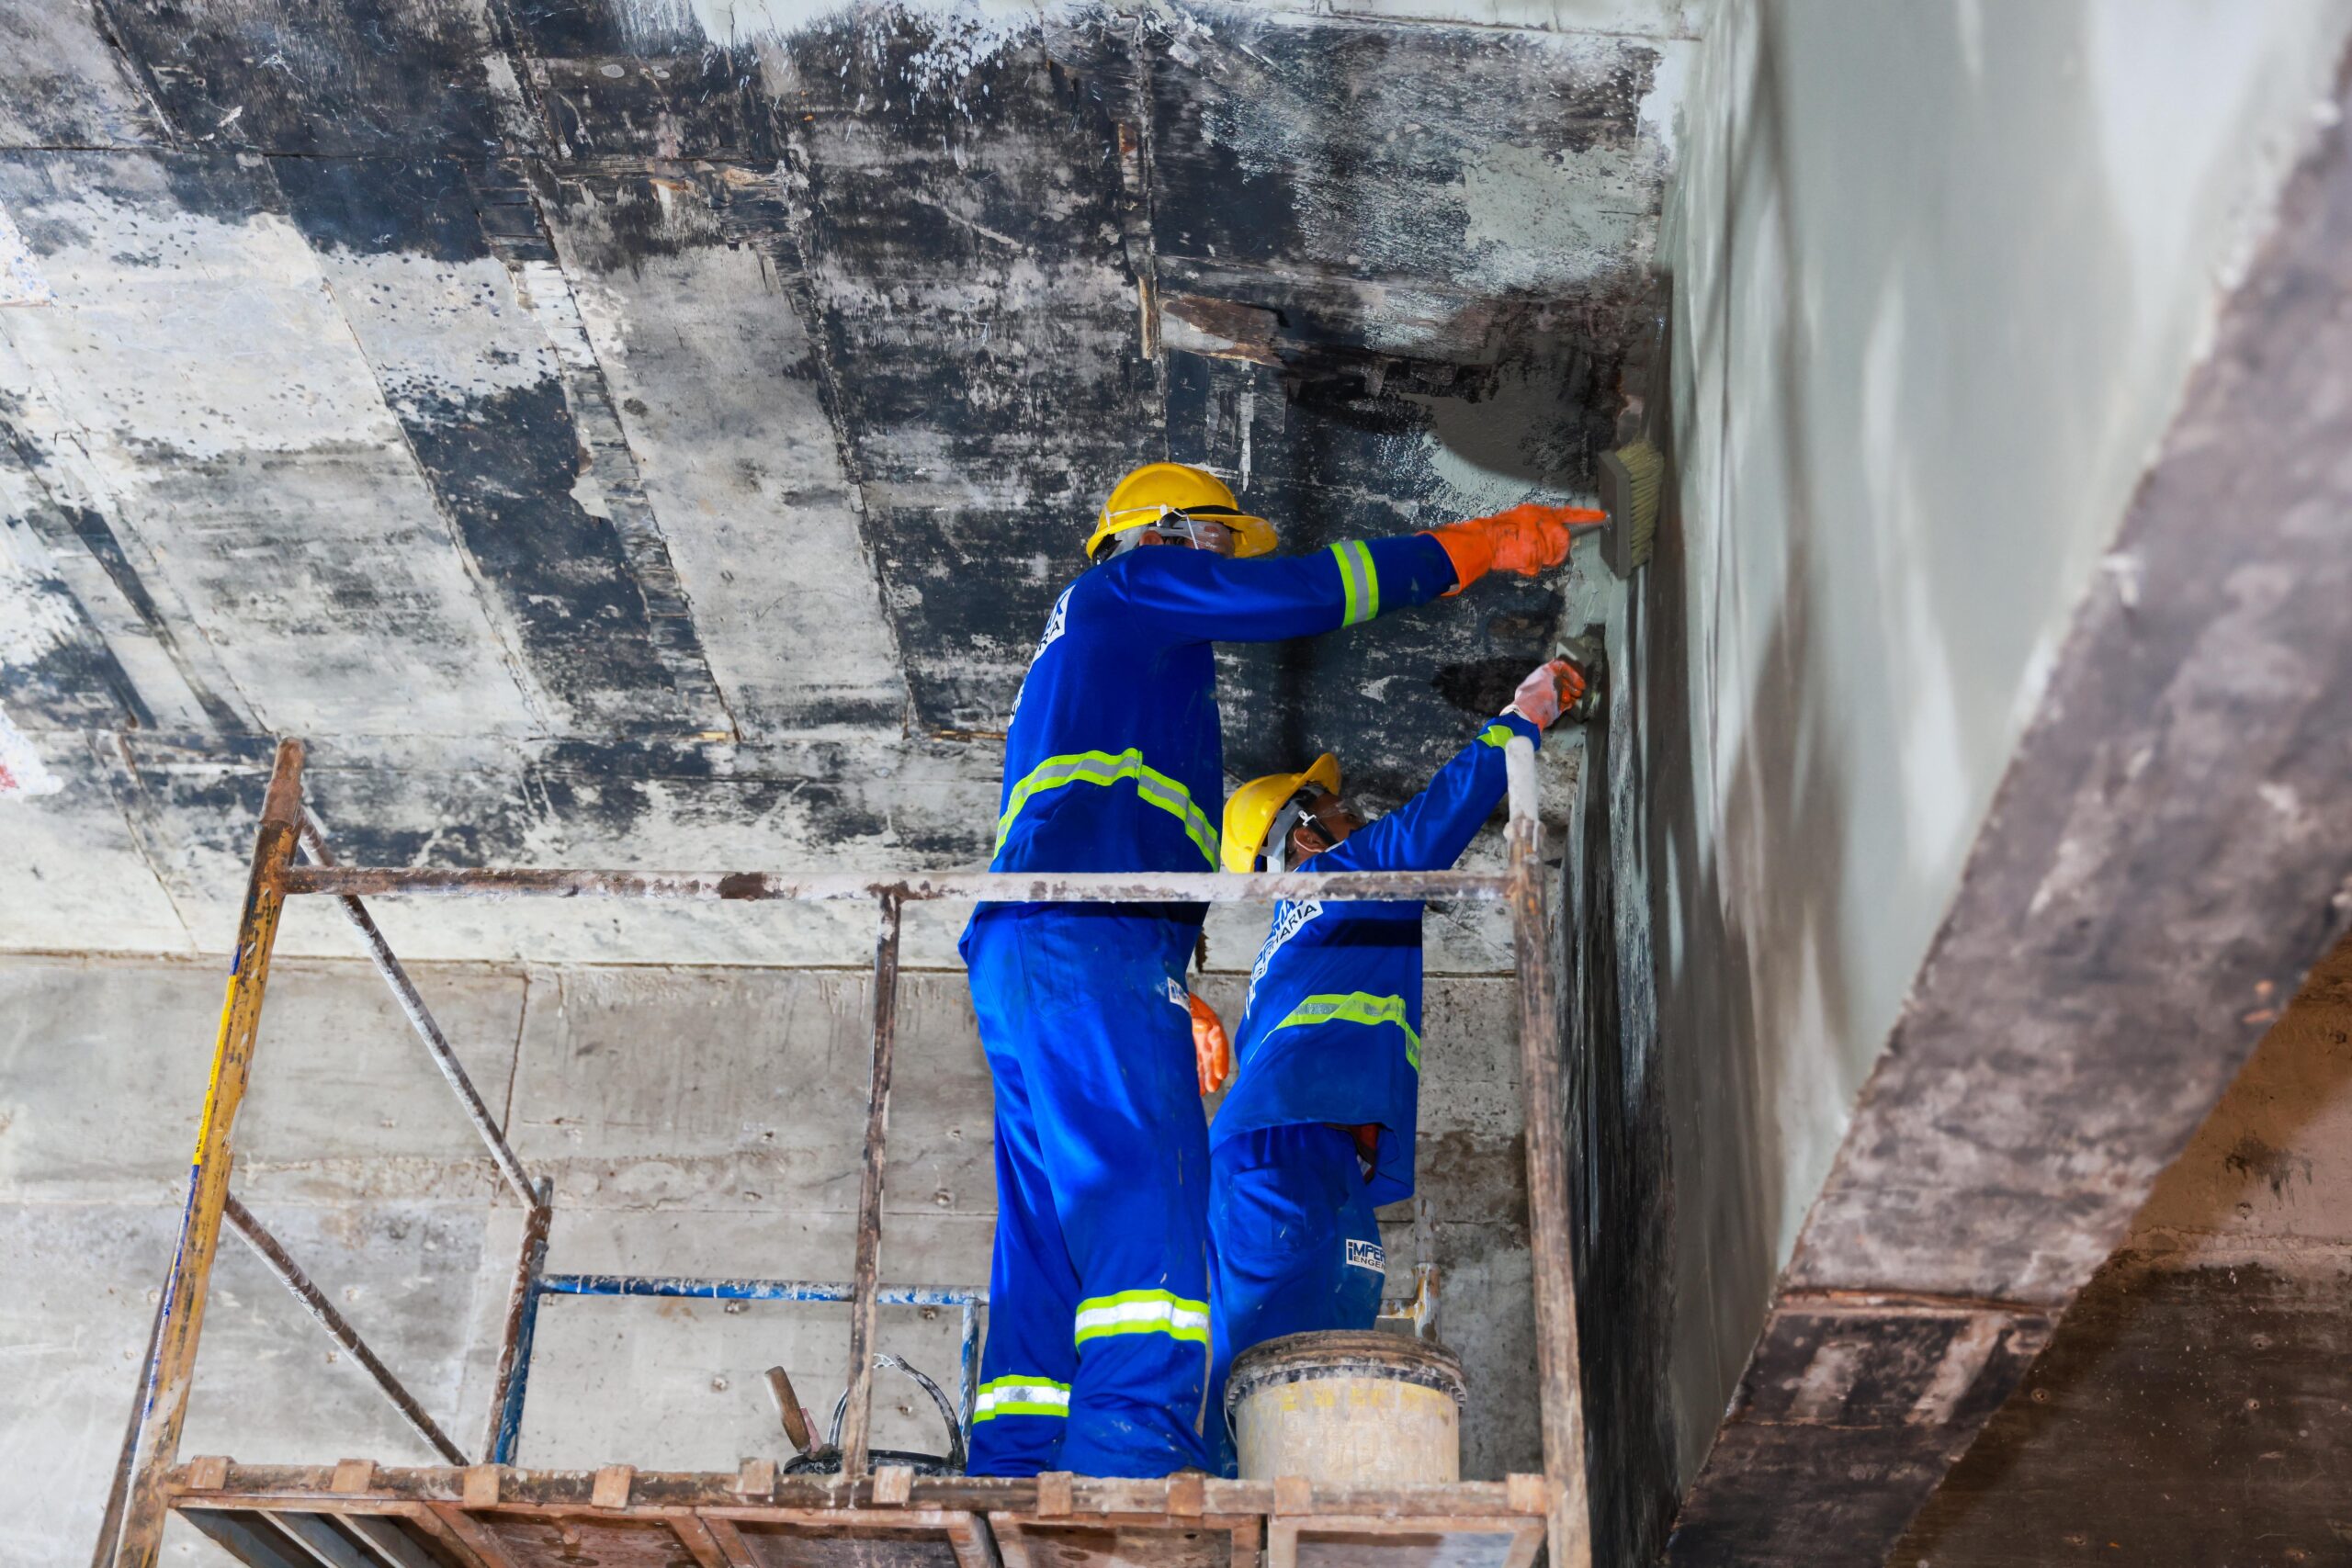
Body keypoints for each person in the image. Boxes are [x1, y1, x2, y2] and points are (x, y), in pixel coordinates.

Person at [964, 461, 1596, 1478]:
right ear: (1161, 534)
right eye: (1214, 545)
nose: (1220, 570)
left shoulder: (1105, 660)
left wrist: (1164, 986)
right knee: (1147, 1198)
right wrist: (1479, 547)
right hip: (1094, 936)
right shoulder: (1124, 590)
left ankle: (1013, 1465)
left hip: (1049, 945)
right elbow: (1305, 594)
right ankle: (1131, 1464)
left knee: (1044, 1232)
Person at [1205, 659, 1589, 1438]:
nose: (1354, 817)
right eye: (1337, 810)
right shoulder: (1333, 882)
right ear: (1302, 836)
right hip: (1287, 1163)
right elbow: (1430, 826)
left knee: (1302, 1365)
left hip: (1308, 1163)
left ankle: (1265, 1523)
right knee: (1280, 1374)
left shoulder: (1294, 944)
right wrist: (1521, 723)